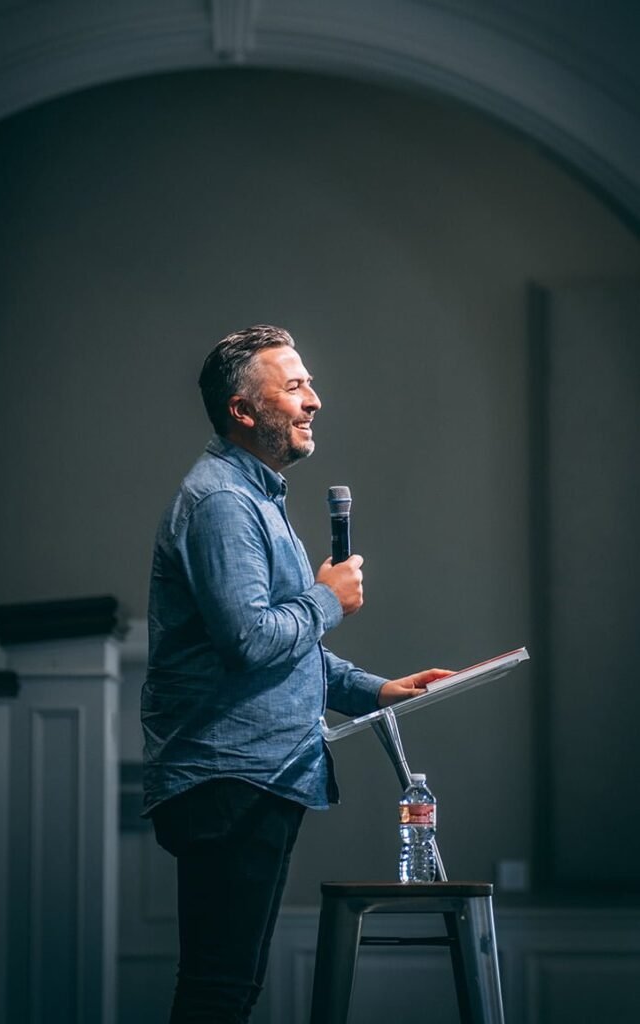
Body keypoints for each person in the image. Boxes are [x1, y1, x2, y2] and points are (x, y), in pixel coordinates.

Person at [141, 324, 450, 1023]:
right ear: (243, 410)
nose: (314, 400)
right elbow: (250, 640)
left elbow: (284, 647)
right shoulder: (223, 503)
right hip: (230, 778)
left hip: (253, 776)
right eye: (294, 387)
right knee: (219, 989)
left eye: (309, 384)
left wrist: (376, 691)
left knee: (230, 987)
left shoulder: (254, 498)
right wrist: (327, 598)